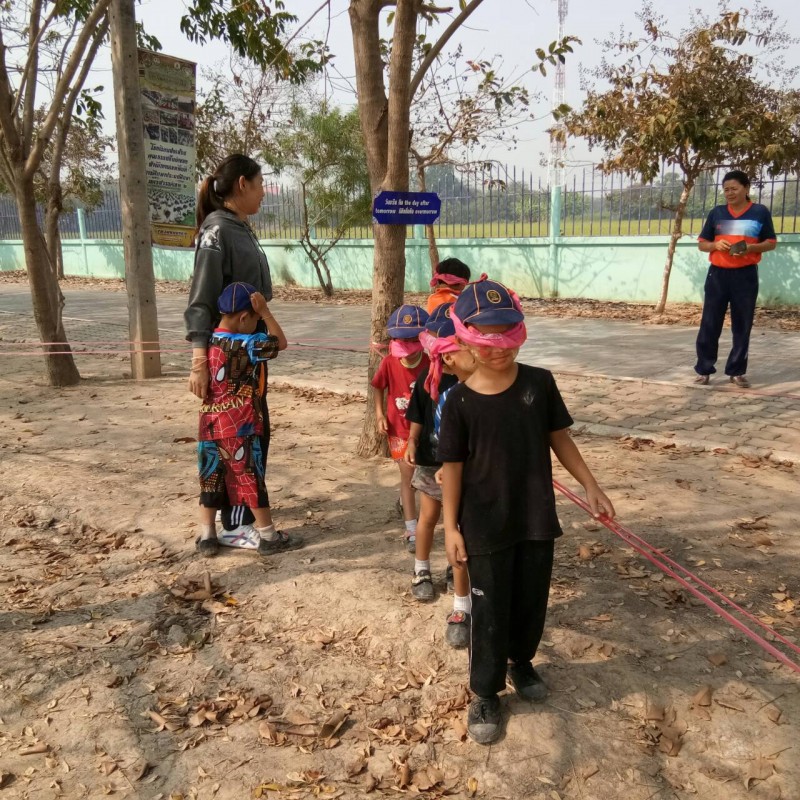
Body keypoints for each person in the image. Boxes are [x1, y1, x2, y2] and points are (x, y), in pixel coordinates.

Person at [438, 277, 615, 745]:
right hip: (483, 525)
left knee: (531, 599)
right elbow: (452, 469)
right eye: (486, 338)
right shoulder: (458, 402)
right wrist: (451, 528)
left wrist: (591, 485)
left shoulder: (539, 383)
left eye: (507, 334)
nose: (498, 348)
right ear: (464, 339)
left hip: (535, 516)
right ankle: (485, 691)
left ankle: (521, 661)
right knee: (489, 608)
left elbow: (560, 438)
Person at [186, 154, 275, 535]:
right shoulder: (216, 232)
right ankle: (237, 522)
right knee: (238, 435)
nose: (263, 194)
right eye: (259, 185)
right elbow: (201, 300)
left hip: (250, 352)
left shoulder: (239, 227)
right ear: (242, 184)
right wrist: (199, 361)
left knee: (254, 430)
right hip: (230, 360)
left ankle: (239, 516)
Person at [196, 282, 302, 556]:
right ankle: (269, 536)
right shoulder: (248, 344)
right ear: (244, 317)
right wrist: (266, 312)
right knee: (250, 478)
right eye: (255, 320)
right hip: (241, 425)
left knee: (211, 477)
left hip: (209, 424)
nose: (257, 325)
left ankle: (207, 536)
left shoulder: (207, 341)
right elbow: (281, 342)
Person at [404, 303, 476, 648]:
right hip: (433, 464)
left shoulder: (476, 385)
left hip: (467, 471)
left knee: (459, 530)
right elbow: (418, 414)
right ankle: (421, 569)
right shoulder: (428, 379)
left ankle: (462, 604)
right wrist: (412, 441)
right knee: (429, 519)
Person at [694, 170, 777, 388]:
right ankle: (704, 369)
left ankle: (737, 371)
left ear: (746, 188)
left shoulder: (760, 212)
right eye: (726, 190)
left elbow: (770, 242)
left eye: (734, 189)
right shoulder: (717, 213)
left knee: (742, 324)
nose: (729, 193)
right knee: (710, 323)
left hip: (745, 276)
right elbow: (702, 244)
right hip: (717, 275)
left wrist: (750, 247)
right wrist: (714, 245)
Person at [371, 304, 430, 551]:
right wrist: (379, 414)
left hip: (425, 432)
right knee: (408, 478)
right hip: (398, 430)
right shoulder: (389, 363)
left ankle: (422, 517)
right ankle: (411, 529)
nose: (407, 347)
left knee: (425, 479)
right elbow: (378, 387)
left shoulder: (431, 363)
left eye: (412, 340)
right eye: (401, 340)